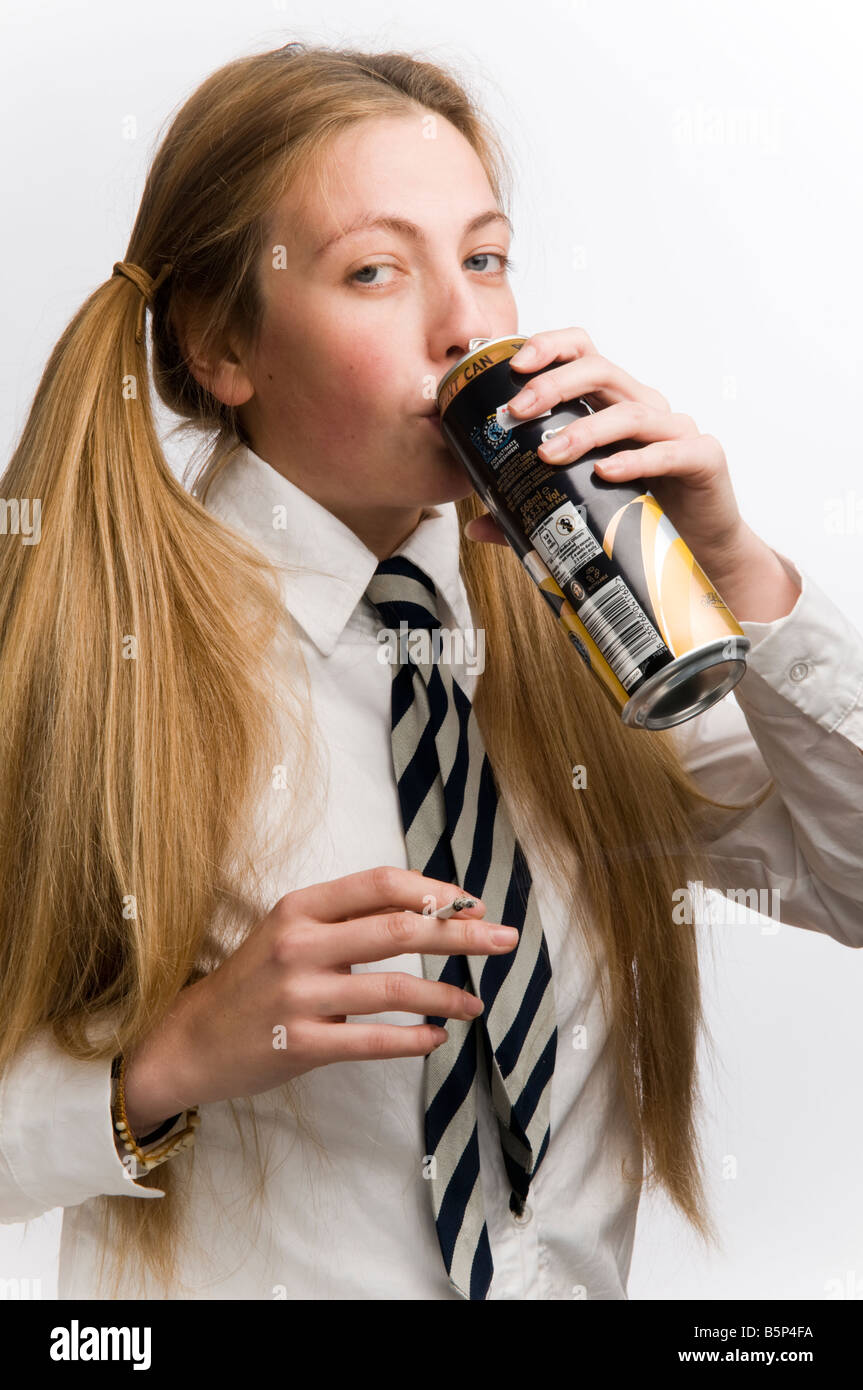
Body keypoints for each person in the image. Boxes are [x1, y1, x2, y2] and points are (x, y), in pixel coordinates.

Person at [0, 41, 861, 1302]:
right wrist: (166, 1063)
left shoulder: (595, 641)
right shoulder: (82, 660)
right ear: (222, 344)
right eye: (374, 271)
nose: (467, 328)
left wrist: (735, 573)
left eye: (484, 258)